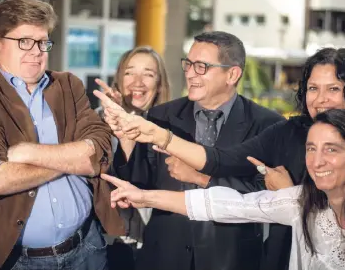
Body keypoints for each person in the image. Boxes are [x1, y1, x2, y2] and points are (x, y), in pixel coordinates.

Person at [95, 47, 345, 270]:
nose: (321, 99)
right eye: (313, 88)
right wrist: (158, 142)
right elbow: (225, 192)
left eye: (333, 89)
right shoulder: (288, 140)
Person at [0, 0, 123, 270]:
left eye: (42, 42)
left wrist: (29, 153)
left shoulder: (68, 85)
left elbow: (101, 150)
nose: (36, 51)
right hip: (22, 260)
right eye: (24, 41)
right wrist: (72, 160)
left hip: (87, 247)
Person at [98, 31, 285, 270]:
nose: (189, 73)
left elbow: (266, 195)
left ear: (232, 74)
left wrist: (200, 177)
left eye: (201, 66)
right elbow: (139, 182)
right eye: (188, 64)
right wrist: (124, 136)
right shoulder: (162, 116)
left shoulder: (266, 123)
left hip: (231, 259)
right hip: (164, 256)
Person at [95, 46, 171, 269]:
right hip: (105, 241)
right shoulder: (95, 123)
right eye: (129, 72)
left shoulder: (170, 130)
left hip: (154, 245)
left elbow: (144, 181)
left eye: (148, 74)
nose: (138, 82)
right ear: (119, 78)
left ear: (159, 84)